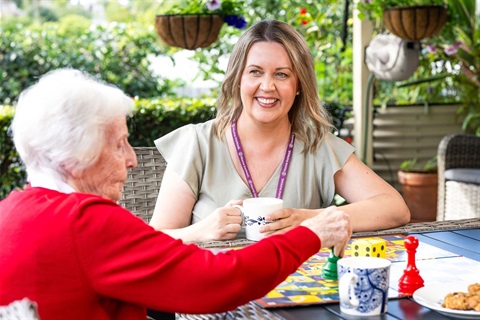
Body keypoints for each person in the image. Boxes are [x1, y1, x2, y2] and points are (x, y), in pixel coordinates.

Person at [0, 68, 352, 320]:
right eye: (120, 144)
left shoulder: (11, 210)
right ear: (78, 157)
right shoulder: (83, 221)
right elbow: (218, 282)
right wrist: (312, 233)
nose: (133, 159)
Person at [150, 19, 410, 242]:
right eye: (255, 72)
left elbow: (395, 208)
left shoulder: (318, 146)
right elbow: (153, 240)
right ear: (238, 78)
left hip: (298, 292)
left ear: (298, 85)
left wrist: (308, 219)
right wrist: (199, 232)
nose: (267, 86)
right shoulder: (197, 143)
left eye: (282, 75)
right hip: (214, 291)